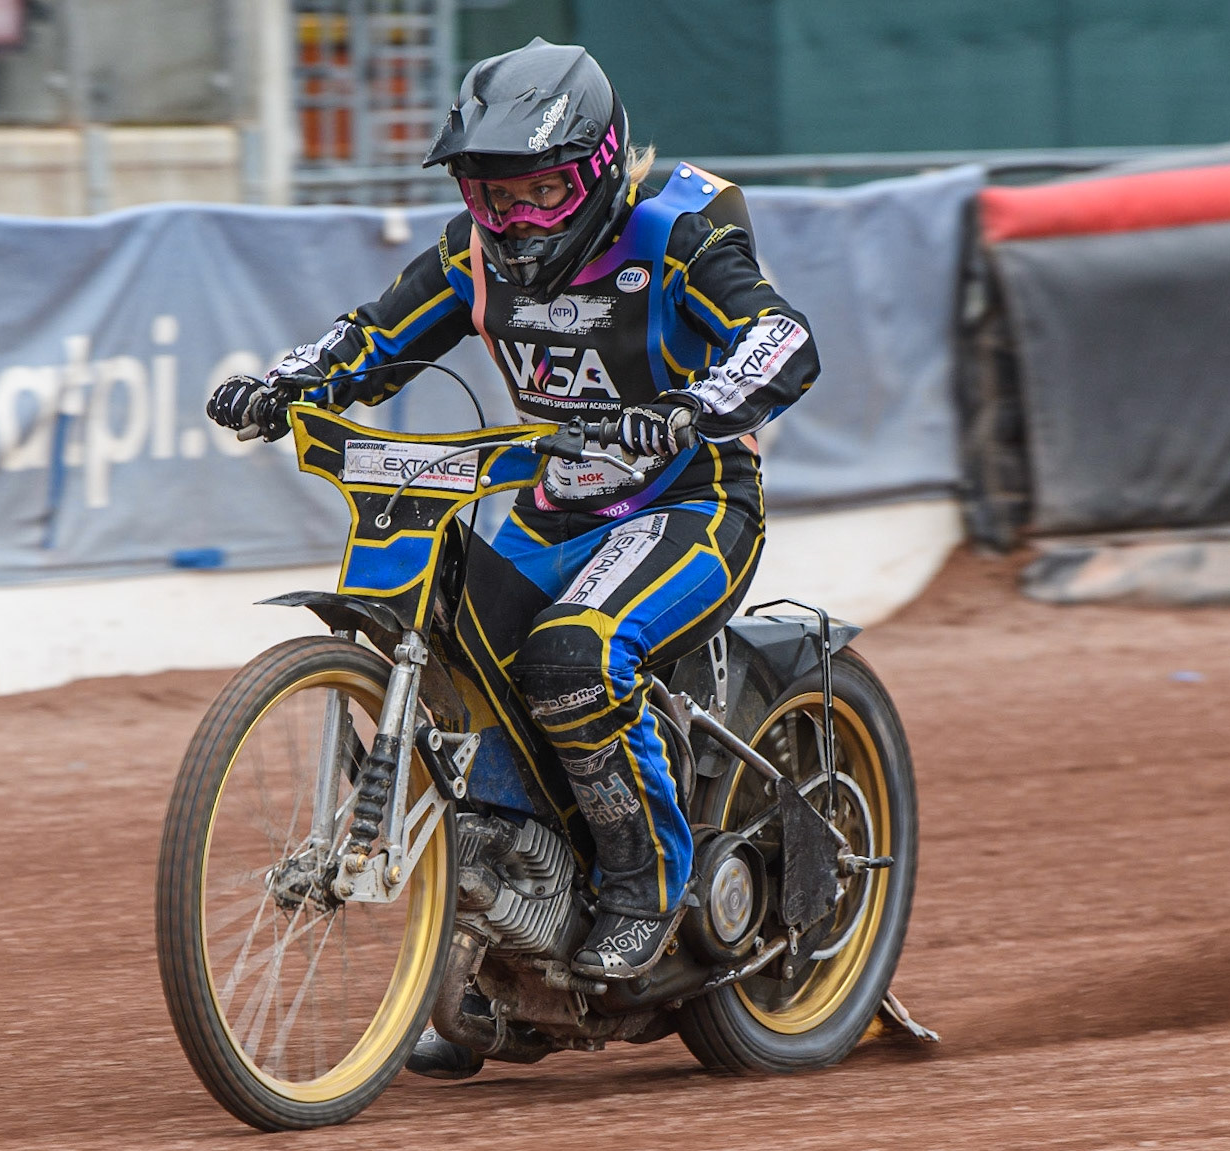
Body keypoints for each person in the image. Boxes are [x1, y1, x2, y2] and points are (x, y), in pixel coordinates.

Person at [206, 37, 819, 1072]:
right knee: (453, 663)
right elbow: (372, 336)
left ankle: (644, 883)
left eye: (544, 192)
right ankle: (494, 953)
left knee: (573, 658)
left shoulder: (678, 233)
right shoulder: (473, 255)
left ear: (600, 166)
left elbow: (783, 339)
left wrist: (689, 407)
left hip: (693, 502)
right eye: (494, 196)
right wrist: (285, 383)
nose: (519, 220)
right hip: (554, 505)